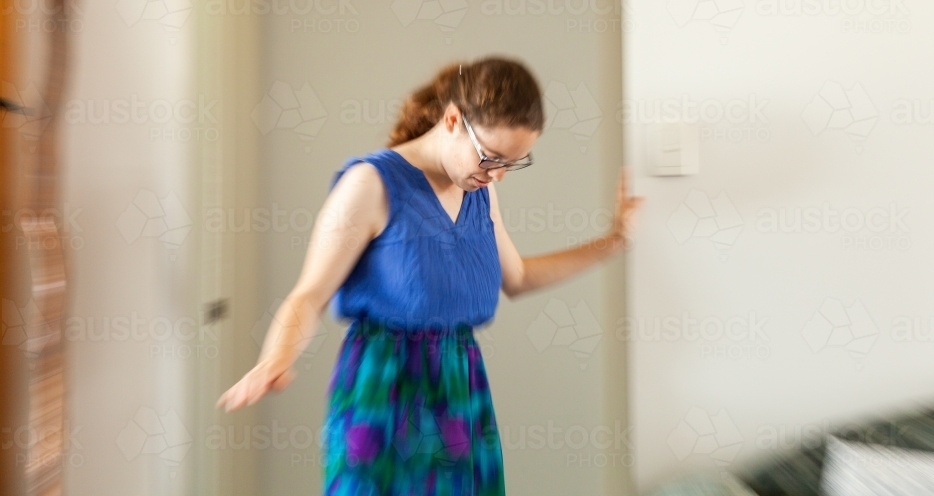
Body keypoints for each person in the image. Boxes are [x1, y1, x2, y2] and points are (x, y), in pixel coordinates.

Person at [216, 56, 643, 495]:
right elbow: (309, 295)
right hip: (383, 392)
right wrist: (276, 358)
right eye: (491, 157)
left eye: (511, 163)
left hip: (460, 393)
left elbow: (516, 277)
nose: (497, 175)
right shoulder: (370, 184)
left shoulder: (480, 191)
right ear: (453, 119)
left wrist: (614, 242)